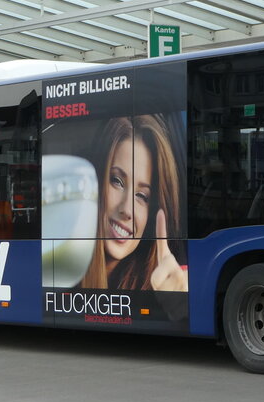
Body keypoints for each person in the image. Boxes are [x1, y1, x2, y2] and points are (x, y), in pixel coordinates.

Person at [80, 114, 187, 292]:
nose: (127, 209)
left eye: (142, 196)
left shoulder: (164, 287)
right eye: (117, 181)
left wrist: (177, 307)